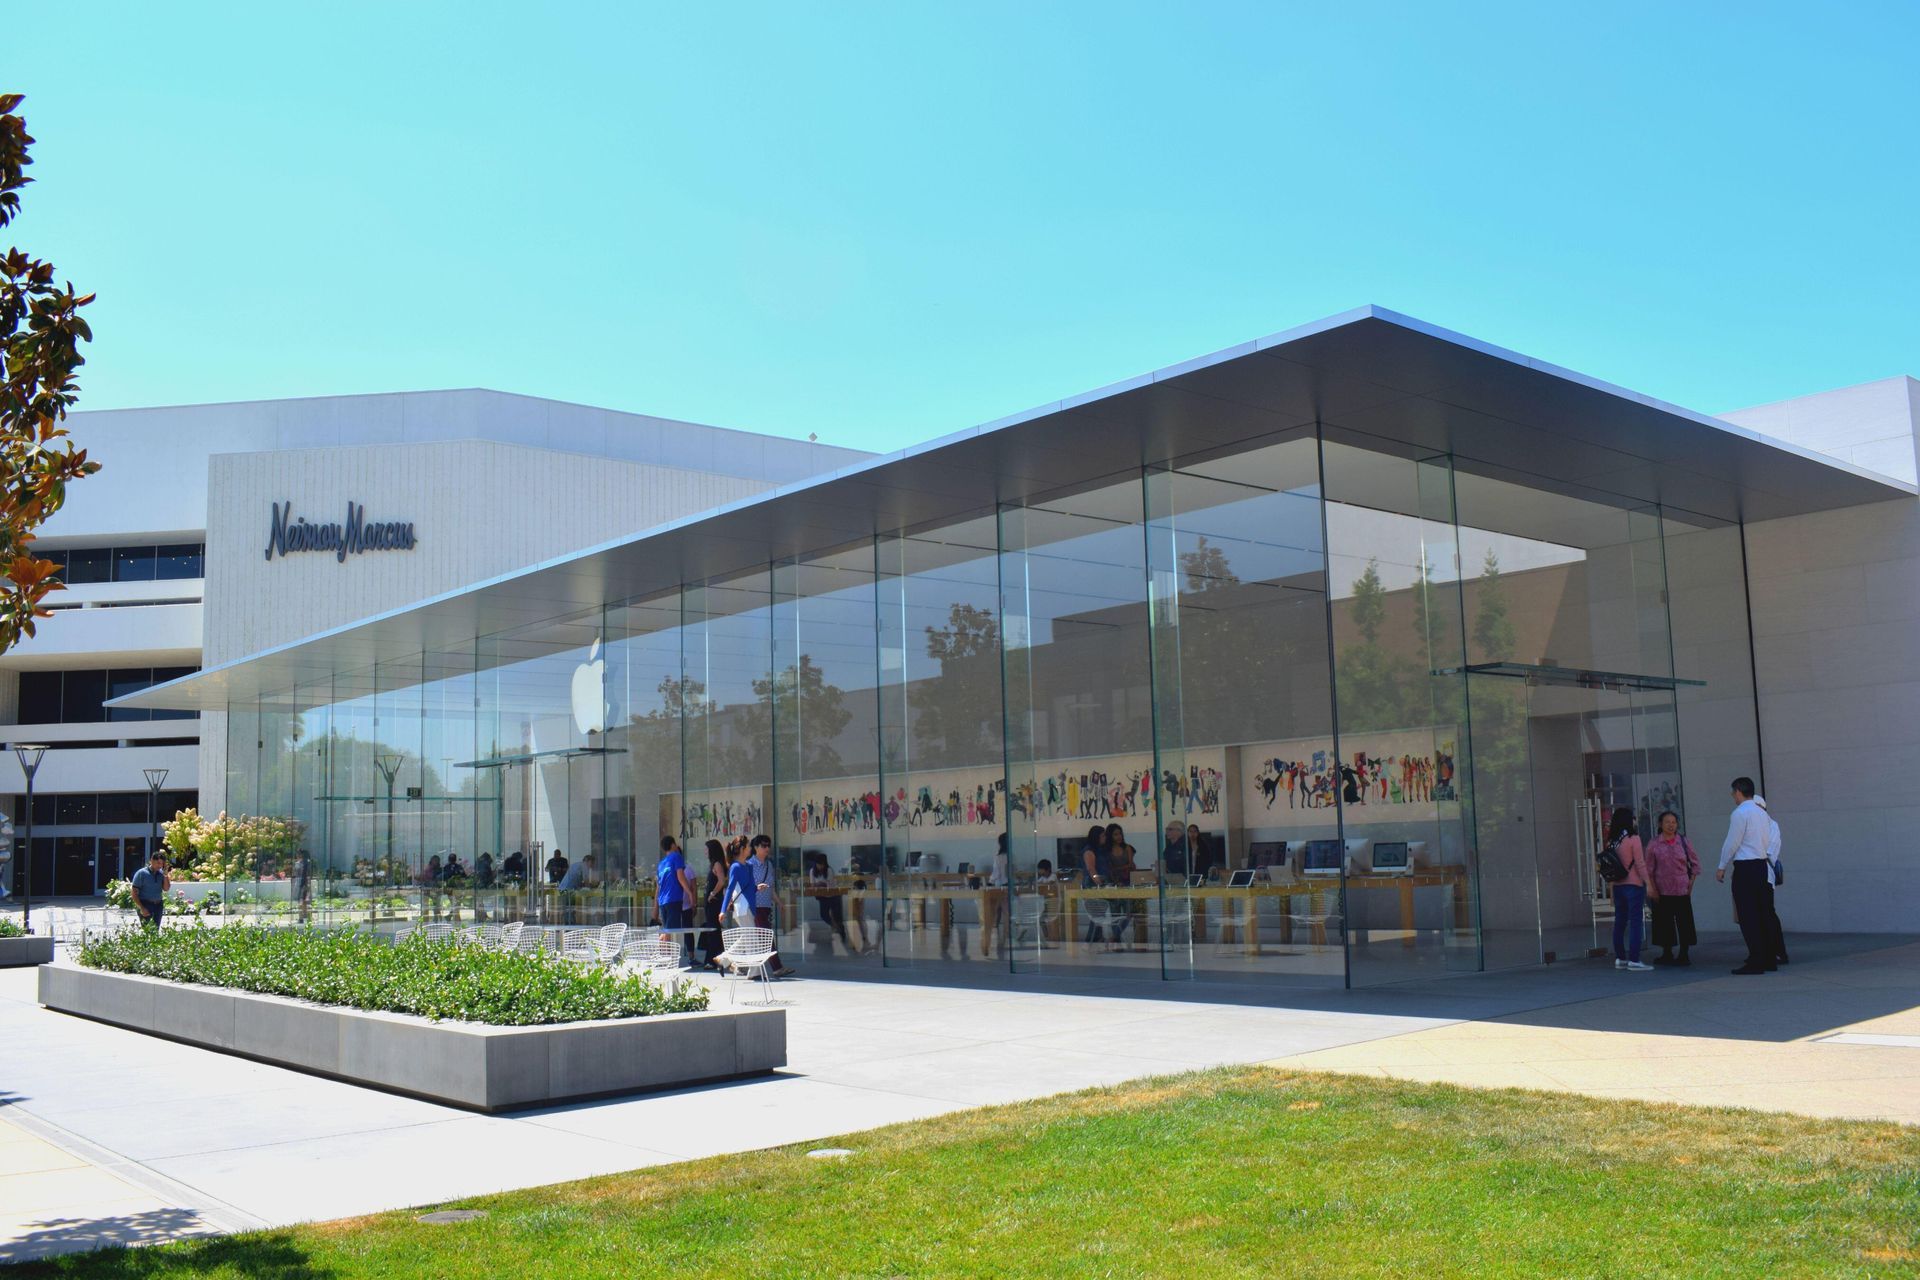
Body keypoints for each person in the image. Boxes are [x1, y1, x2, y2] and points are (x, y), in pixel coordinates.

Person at [1716, 777, 1779, 975]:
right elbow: (1771, 841)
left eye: (1733, 792)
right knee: (1763, 914)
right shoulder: (1763, 814)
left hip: (1746, 867)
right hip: (1762, 866)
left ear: (1738, 792)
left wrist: (1721, 866)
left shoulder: (1740, 813)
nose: (1733, 796)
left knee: (1748, 916)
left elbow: (1732, 842)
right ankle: (1769, 958)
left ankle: (1756, 959)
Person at [1644, 811, 1699, 966]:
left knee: (1684, 921)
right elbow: (1648, 869)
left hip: (1681, 888)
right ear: (1660, 824)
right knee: (1664, 922)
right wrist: (1652, 888)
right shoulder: (1654, 844)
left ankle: (1684, 953)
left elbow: (1695, 864)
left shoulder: (1683, 841)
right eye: (1667, 822)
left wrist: (1691, 884)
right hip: (1662, 889)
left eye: (1674, 822)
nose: (1671, 825)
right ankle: (1666, 952)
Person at [1604, 807, 1652, 971]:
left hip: (1618, 886)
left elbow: (1610, 866)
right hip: (1633, 885)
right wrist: (1649, 883)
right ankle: (1634, 959)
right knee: (1636, 922)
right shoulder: (1633, 838)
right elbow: (1639, 863)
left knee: (1620, 922)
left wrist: (1611, 889)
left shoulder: (1612, 840)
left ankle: (1620, 957)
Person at [750, 835, 794, 978]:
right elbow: (745, 887)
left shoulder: (769, 865)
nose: (767, 848)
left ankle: (729, 962)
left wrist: (779, 902)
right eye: (763, 845)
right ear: (756, 847)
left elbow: (771, 888)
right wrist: (756, 887)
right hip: (754, 906)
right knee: (766, 937)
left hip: (766, 906)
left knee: (756, 938)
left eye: (768, 845)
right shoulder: (749, 865)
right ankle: (777, 967)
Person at [806, 852, 857, 955]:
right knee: (824, 915)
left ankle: (841, 932)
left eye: (821, 864)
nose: (820, 866)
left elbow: (829, 884)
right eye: (818, 864)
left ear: (825, 864)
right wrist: (819, 885)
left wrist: (820, 884)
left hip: (834, 896)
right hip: (822, 897)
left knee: (837, 916)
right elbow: (813, 885)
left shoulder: (829, 870)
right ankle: (836, 927)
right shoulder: (812, 871)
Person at [656, 836, 696, 966]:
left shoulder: (661, 863)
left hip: (663, 900)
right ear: (673, 845)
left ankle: (664, 958)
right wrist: (689, 892)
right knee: (668, 931)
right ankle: (660, 957)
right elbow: (680, 876)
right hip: (673, 899)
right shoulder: (677, 857)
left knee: (667, 929)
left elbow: (659, 884)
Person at [698, 839, 728, 969]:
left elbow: (721, 881)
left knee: (713, 930)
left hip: (714, 902)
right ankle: (717, 958)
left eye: (707, 849)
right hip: (712, 903)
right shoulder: (714, 864)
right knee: (713, 930)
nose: (705, 852)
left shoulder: (717, 864)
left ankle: (712, 959)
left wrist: (712, 893)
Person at [131, 851, 170, 929]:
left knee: (156, 930)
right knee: (147, 930)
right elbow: (134, 892)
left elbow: (166, 888)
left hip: (158, 905)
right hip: (145, 904)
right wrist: (141, 907)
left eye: (162, 863)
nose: (160, 865)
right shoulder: (141, 873)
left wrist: (165, 875)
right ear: (151, 861)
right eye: (158, 863)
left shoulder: (162, 874)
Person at [290, 848, 313, 923]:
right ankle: (305, 917)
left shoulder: (303, 863)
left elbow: (296, 874)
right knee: (304, 901)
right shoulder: (302, 863)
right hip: (302, 882)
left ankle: (303, 917)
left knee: (303, 901)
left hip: (302, 882)